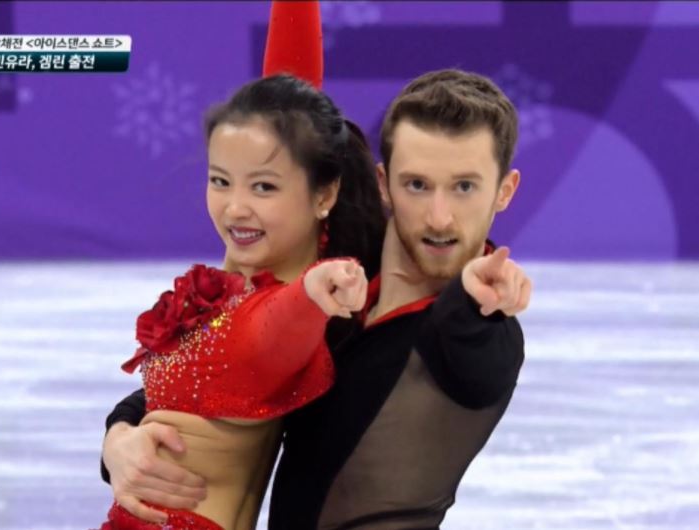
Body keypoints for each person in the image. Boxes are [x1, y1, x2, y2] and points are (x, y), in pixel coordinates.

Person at [101, 68, 531, 530]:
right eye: (417, 185)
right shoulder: (337, 295)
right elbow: (216, 377)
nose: (439, 217)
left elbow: (474, 349)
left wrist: (472, 298)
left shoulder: (479, 331)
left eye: (464, 187)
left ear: (504, 192)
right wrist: (120, 438)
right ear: (384, 183)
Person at [97, 72, 387, 530]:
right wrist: (117, 437)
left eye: (263, 187)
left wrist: (318, 288)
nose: (234, 208)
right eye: (220, 180)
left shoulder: (292, 304)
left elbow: (277, 323)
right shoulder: (246, 272)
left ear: (325, 193)